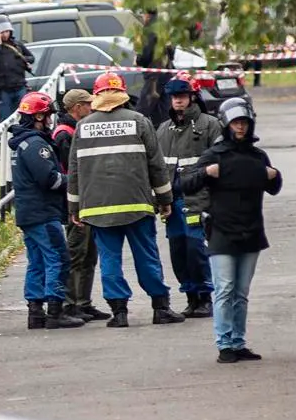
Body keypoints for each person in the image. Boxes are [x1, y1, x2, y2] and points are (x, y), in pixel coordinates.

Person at [68, 71, 184, 328]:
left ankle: (119, 313)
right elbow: (157, 165)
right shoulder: (139, 121)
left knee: (109, 260)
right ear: (121, 95)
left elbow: (74, 171)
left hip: (98, 209)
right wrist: (165, 199)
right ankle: (160, 307)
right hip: (137, 205)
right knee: (147, 256)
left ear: (97, 97)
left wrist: (74, 208)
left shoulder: (82, 127)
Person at [179, 98, 282, 362]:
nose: (241, 127)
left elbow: (274, 187)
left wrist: (274, 174)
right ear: (226, 123)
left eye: (244, 123)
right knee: (224, 289)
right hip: (222, 231)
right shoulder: (215, 154)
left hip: (251, 231)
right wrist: (206, 173)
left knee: (241, 292)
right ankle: (224, 343)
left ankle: (238, 341)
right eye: (236, 122)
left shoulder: (257, 156)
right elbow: (185, 183)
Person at [10, 91, 85, 330]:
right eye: (49, 115)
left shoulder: (23, 142)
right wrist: (74, 180)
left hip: (29, 212)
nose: (51, 120)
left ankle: (36, 313)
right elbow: (49, 180)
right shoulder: (35, 145)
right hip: (42, 213)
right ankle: (55, 311)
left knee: (38, 261)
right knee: (58, 259)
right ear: (39, 116)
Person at [156, 77, 220, 318]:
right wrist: (160, 200)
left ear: (193, 97)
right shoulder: (164, 130)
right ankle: (191, 296)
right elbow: (157, 167)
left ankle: (205, 296)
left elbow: (221, 162)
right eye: (174, 97)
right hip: (173, 203)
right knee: (178, 251)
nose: (178, 101)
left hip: (200, 199)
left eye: (182, 96)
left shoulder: (210, 125)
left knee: (197, 249)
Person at [52, 88, 106, 322]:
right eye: (87, 105)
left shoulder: (76, 130)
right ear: (77, 108)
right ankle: (70, 303)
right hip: (76, 202)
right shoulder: (65, 135)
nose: (91, 108)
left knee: (89, 254)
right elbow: (74, 170)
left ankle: (83, 302)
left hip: (87, 200)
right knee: (76, 253)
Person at [0, 18, 35, 119]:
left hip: (20, 87)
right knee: (6, 118)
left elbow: (31, 58)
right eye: (2, 32)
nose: (5, 34)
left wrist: (21, 59)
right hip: (4, 90)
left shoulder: (17, 45)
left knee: (25, 115)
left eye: (7, 31)